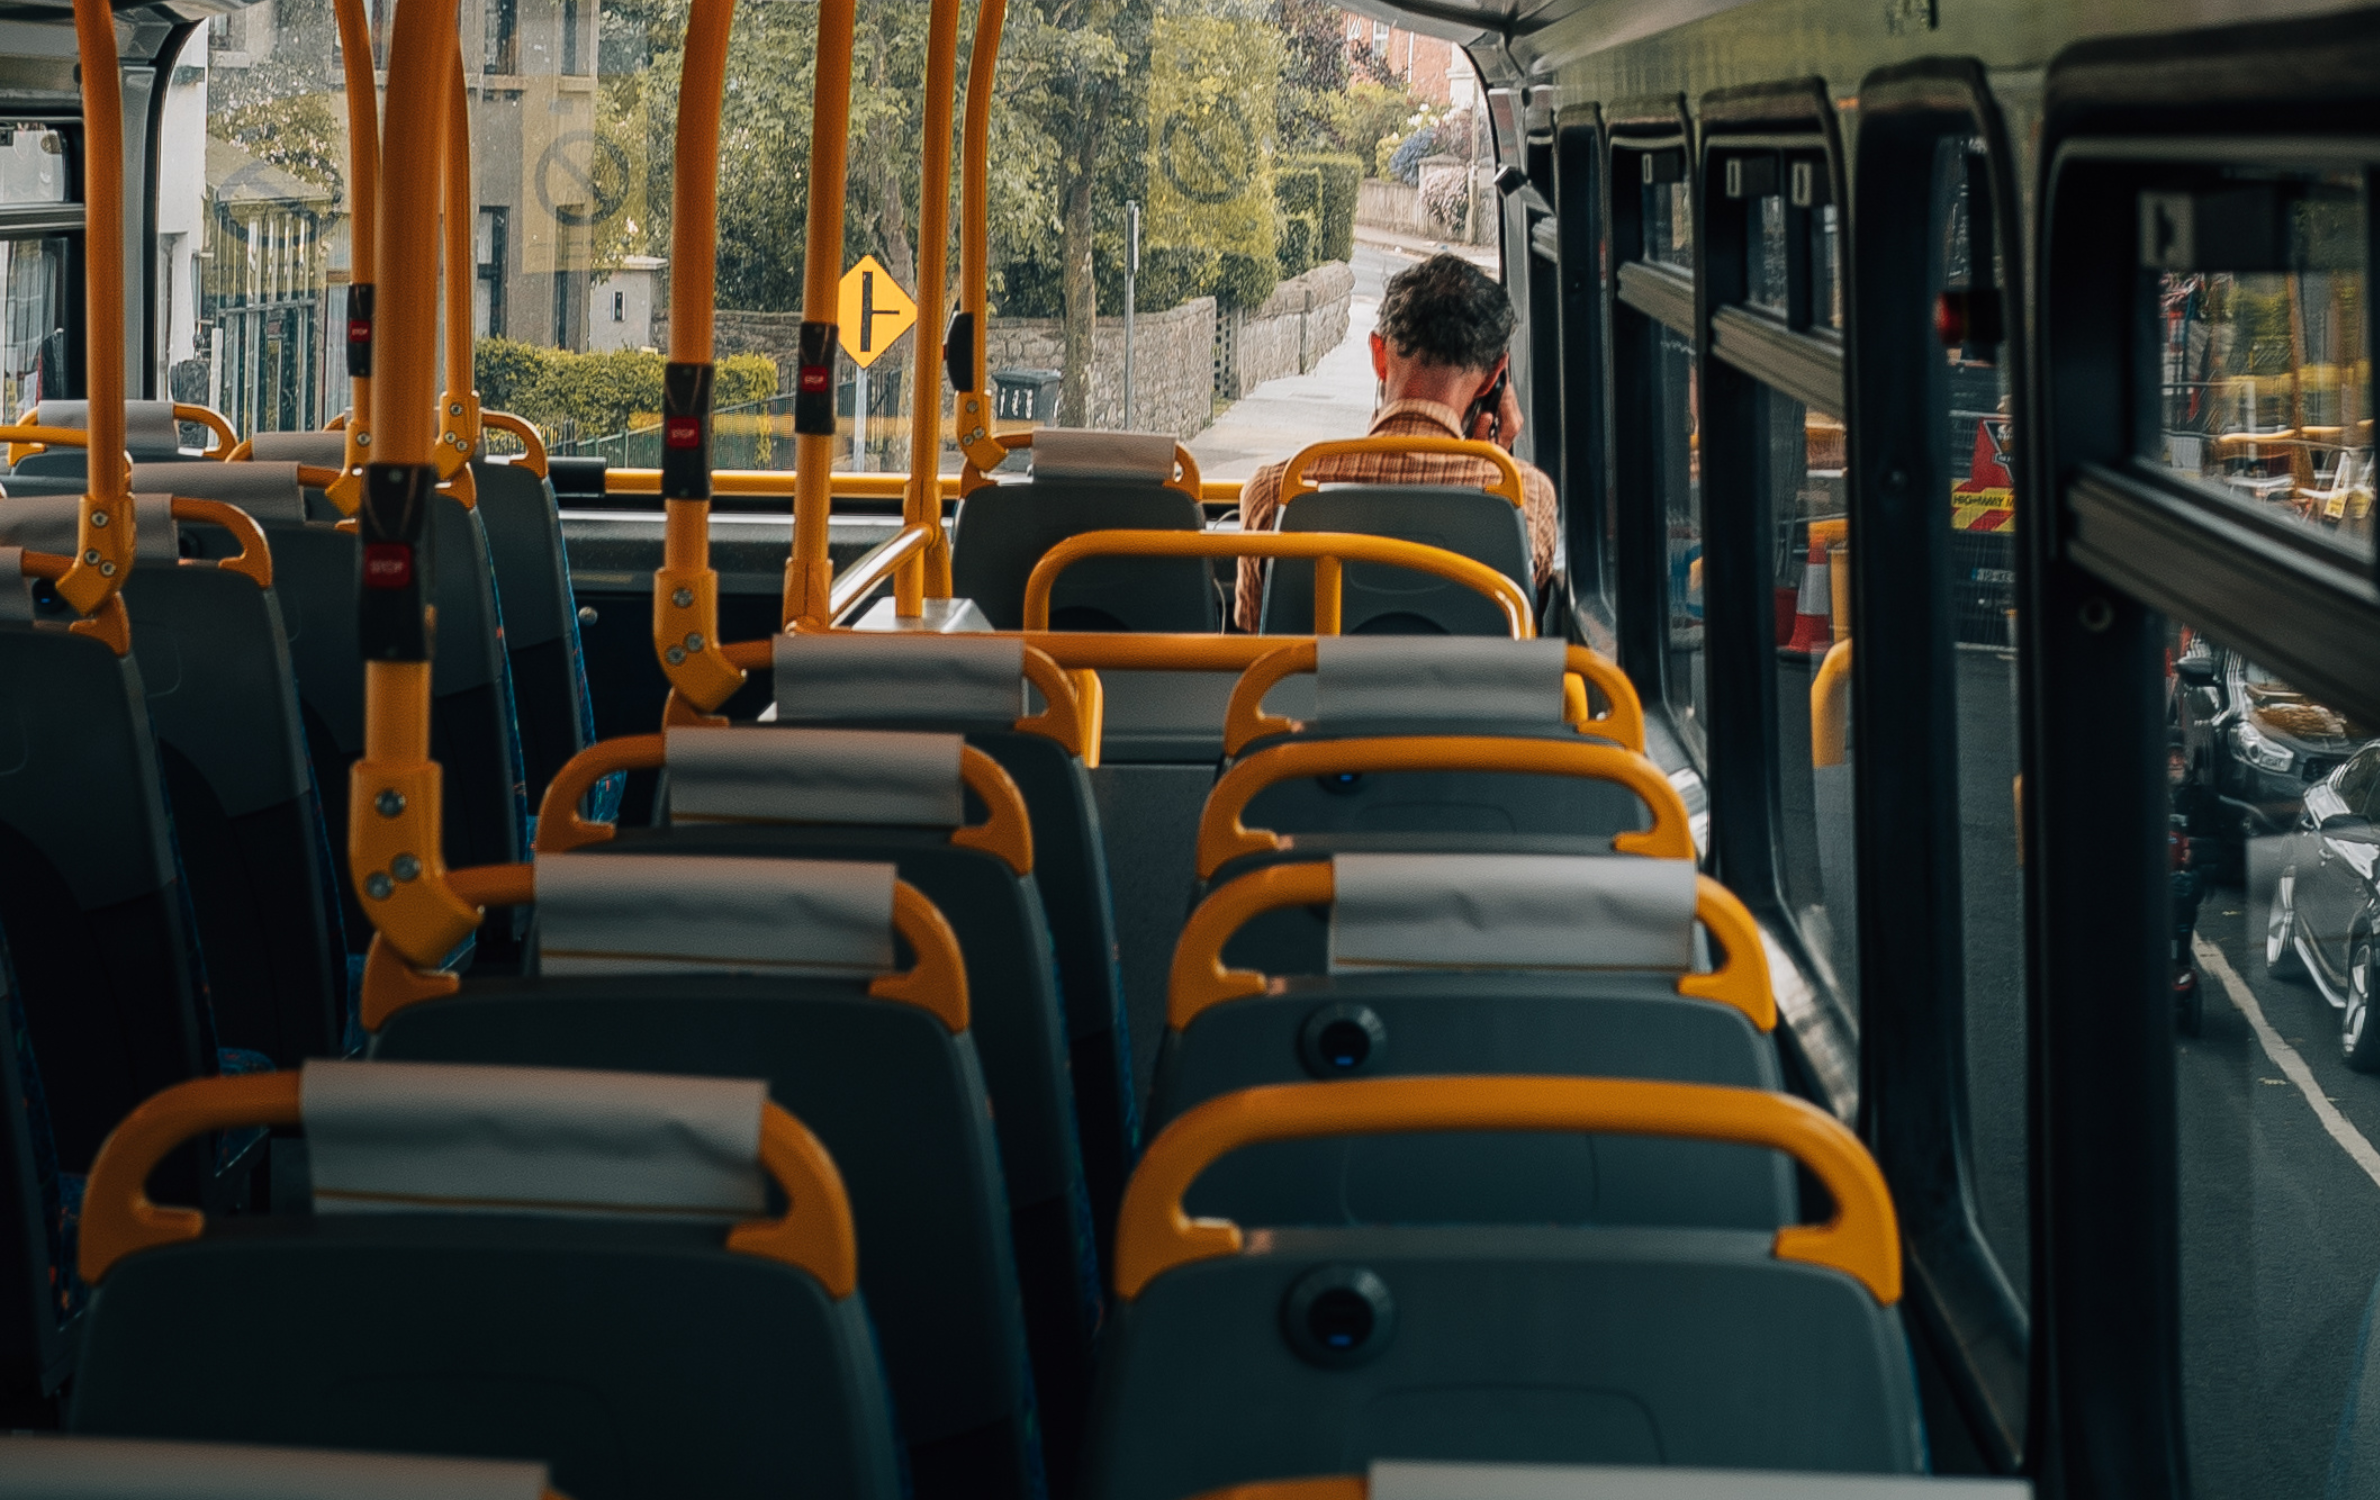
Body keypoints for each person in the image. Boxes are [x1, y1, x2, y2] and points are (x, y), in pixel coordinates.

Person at [1233, 252, 1558, 631]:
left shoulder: (1276, 489)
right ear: (1492, 380)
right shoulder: (1526, 494)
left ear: (1379, 355)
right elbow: (1522, 629)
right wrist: (1490, 463)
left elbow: (1255, 645)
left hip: (1316, 692)